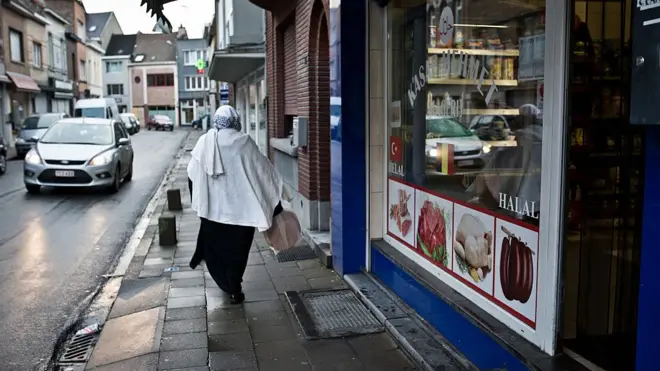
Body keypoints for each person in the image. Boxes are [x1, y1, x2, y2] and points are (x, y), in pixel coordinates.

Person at [187, 105, 284, 304]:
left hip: (213, 211)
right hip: (242, 213)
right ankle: (234, 285)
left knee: (218, 250)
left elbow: (191, 173)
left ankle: (227, 283)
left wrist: (199, 201)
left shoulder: (205, 142)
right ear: (236, 121)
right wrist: (276, 198)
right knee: (239, 252)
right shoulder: (244, 142)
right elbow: (262, 170)